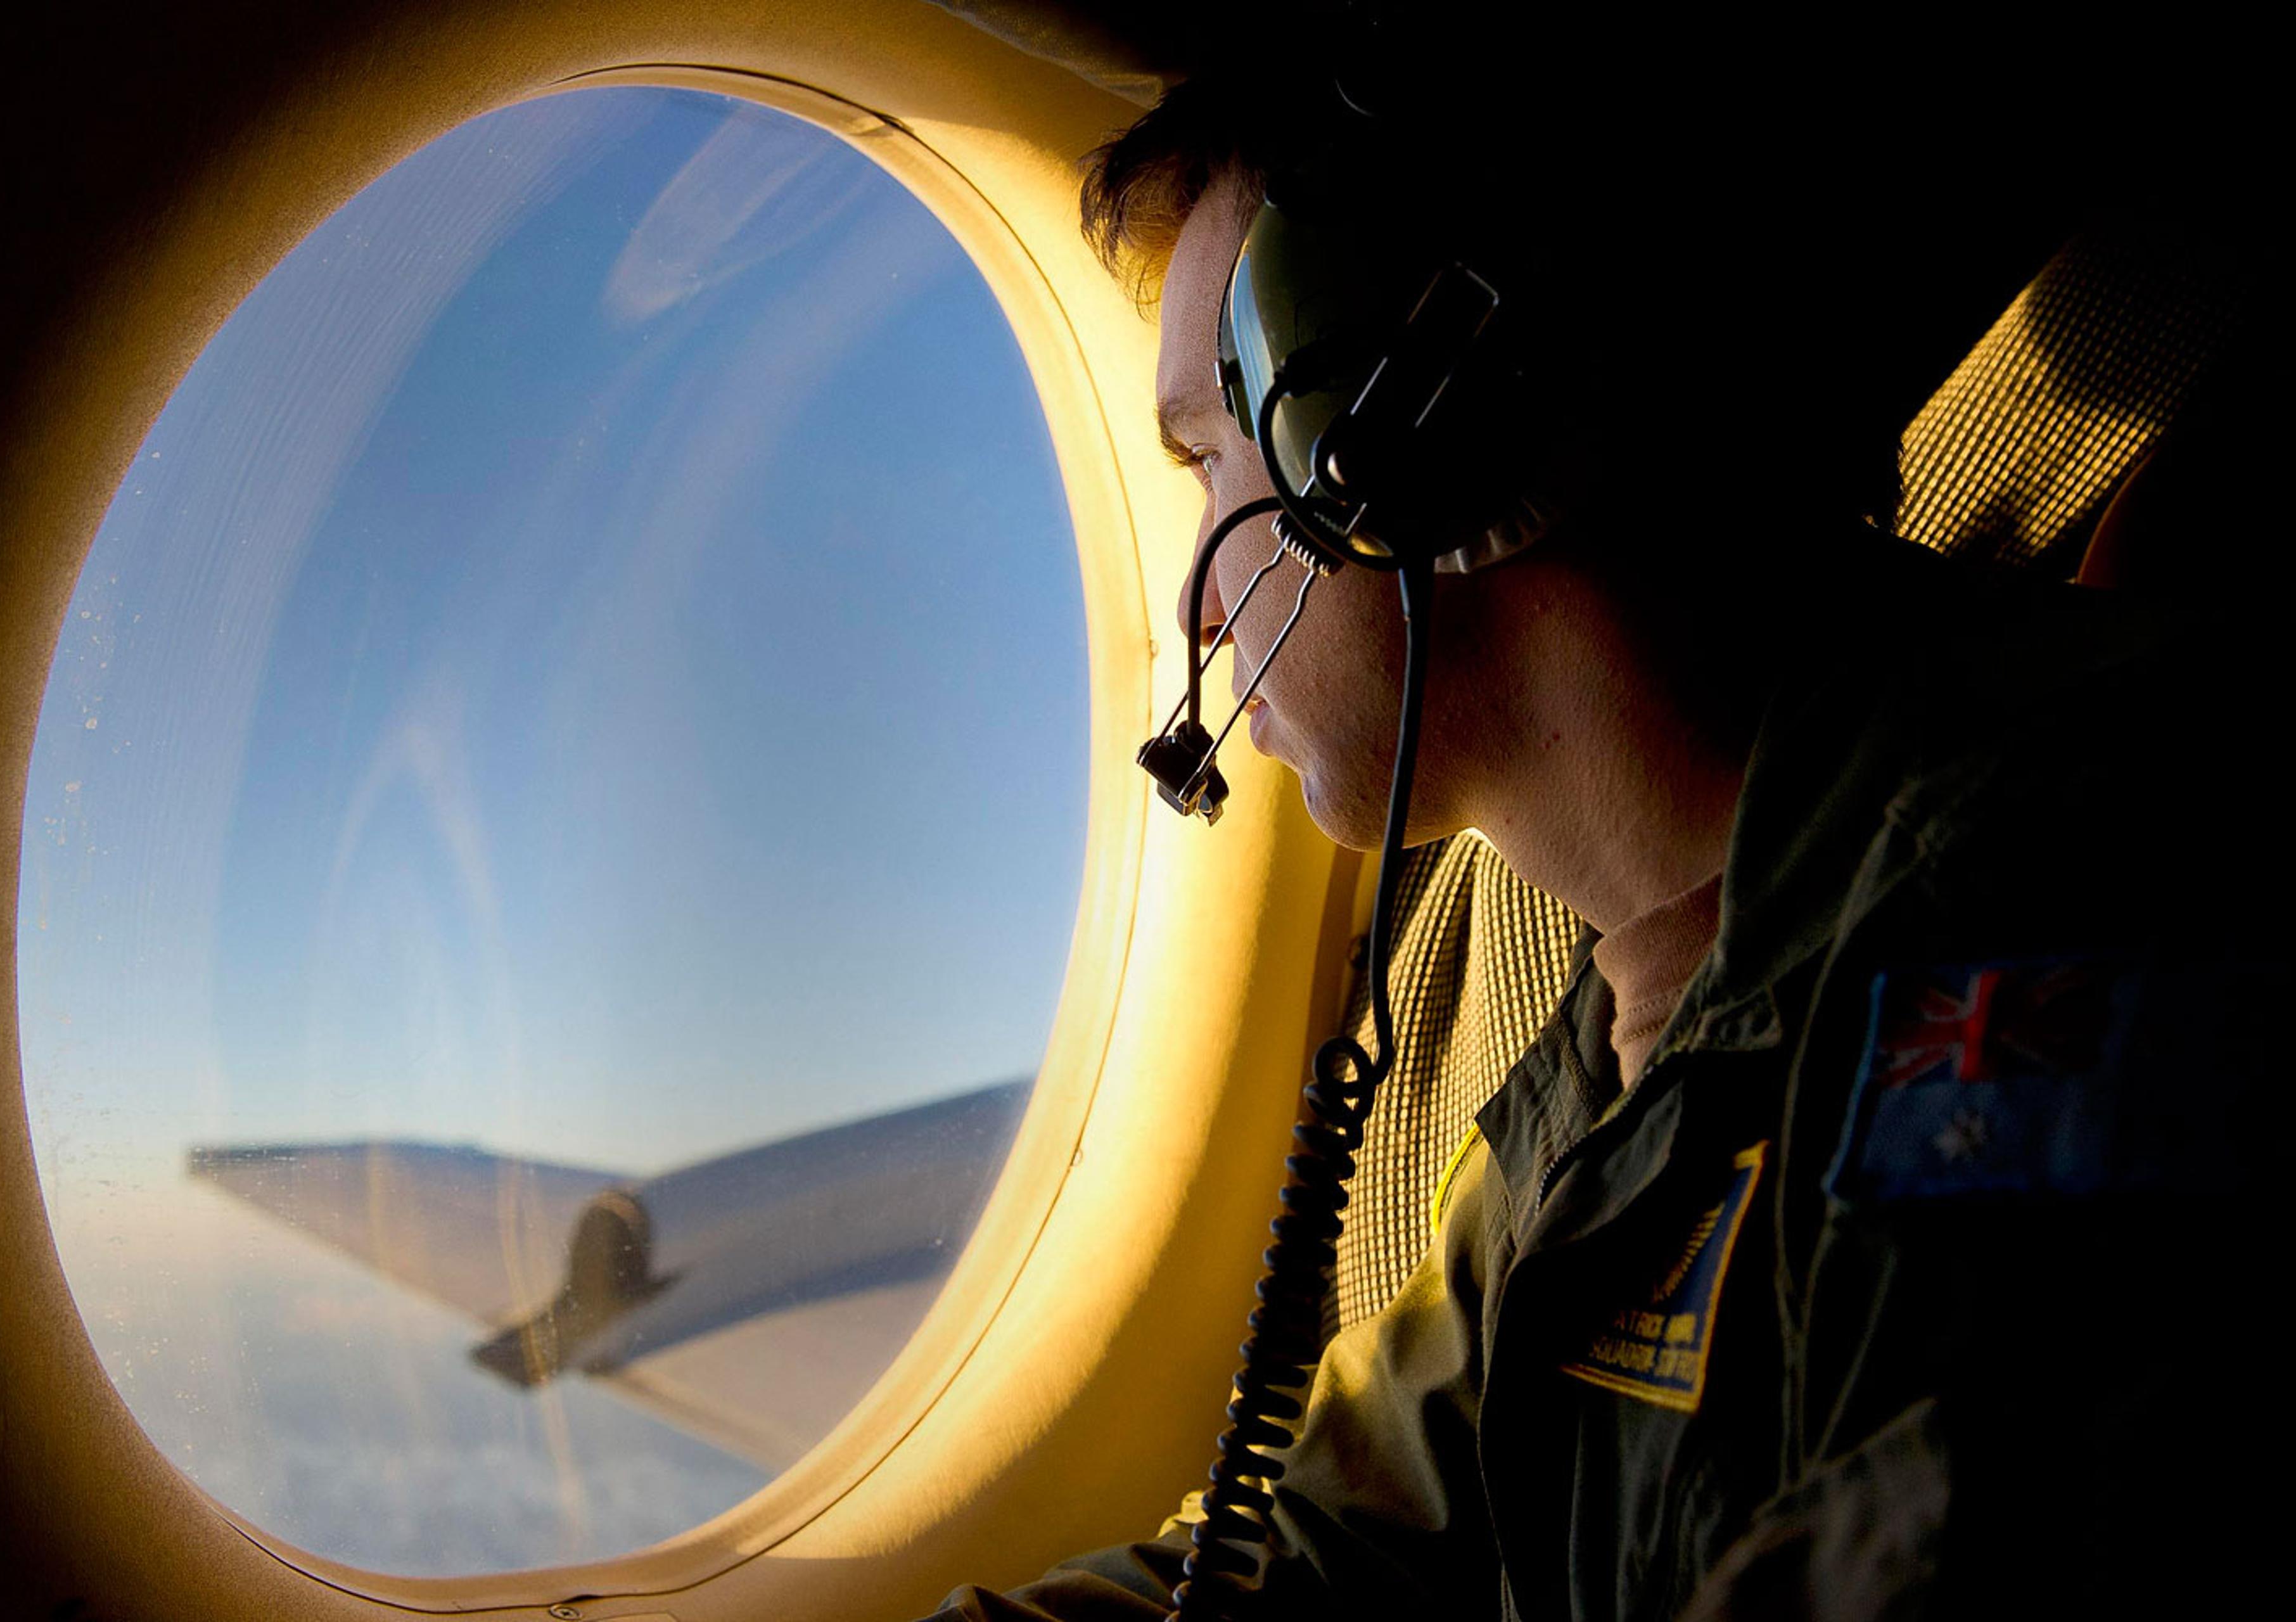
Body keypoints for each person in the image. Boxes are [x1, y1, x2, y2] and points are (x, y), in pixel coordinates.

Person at [922, 34, 2281, 1622]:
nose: (1200, 612)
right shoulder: (1604, 1061)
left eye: (1217, 453)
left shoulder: (2063, 915)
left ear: (1415, 426)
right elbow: (1312, 1556)